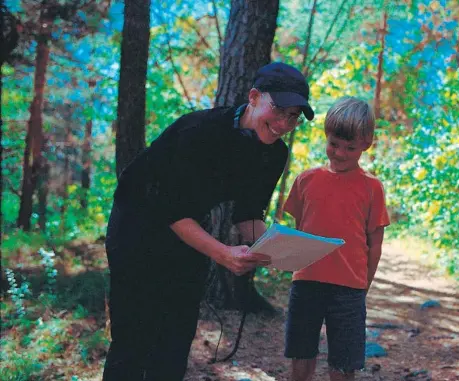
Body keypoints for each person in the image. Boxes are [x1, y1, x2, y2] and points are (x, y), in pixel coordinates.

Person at [103, 62, 315, 381]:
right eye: (280, 110)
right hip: (136, 223)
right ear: (254, 97)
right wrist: (223, 253)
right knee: (133, 338)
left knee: (175, 338)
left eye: (294, 117)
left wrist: (283, 250)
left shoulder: (273, 155)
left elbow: (247, 215)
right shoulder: (199, 131)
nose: (284, 123)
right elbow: (169, 209)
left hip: (190, 230)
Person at [282, 97, 391, 381]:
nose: (340, 153)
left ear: (366, 143)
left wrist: (363, 285)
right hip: (306, 283)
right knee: (301, 354)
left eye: (350, 147)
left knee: (343, 364)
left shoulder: (372, 188)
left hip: (349, 289)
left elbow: (374, 243)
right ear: (326, 136)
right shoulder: (306, 180)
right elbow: (298, 230)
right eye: (334, 144)